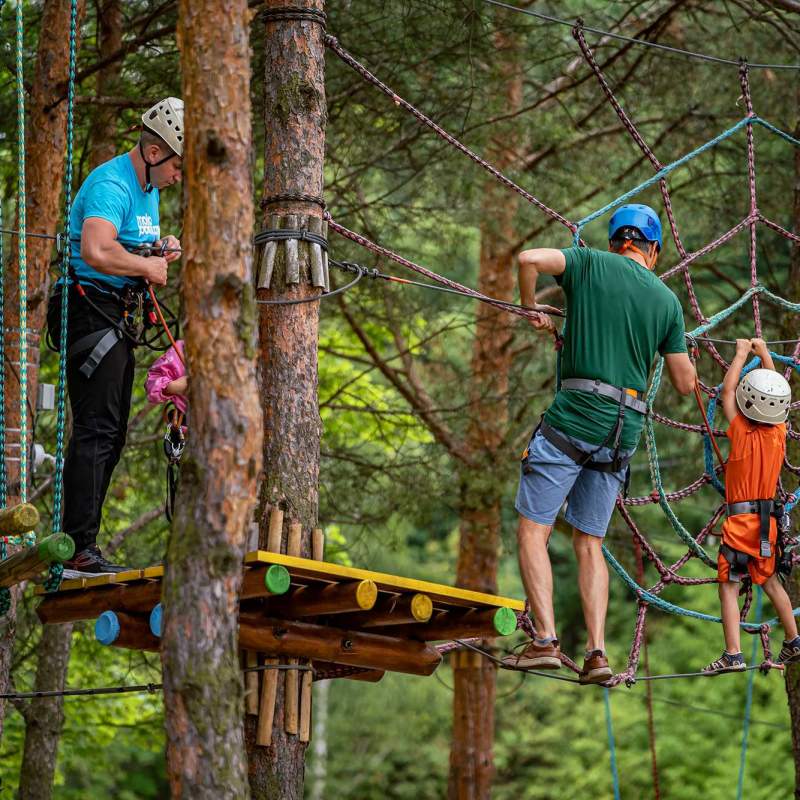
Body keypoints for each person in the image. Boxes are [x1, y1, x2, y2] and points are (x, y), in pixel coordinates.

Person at [504, 203, 696, 684]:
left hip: (574, 419)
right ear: (652, 249)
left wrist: (532, 311)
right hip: (621, 434)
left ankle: (544, 640)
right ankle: (596, 654)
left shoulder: (588, 263)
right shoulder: (668, 302)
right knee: (589, 542)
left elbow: (528, 258)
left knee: (534, 531)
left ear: (616, 241)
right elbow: (685, 384)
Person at [46, 97, 184, 575]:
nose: (179, 176)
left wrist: (157, 249)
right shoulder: (111, 183)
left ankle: (83, 541)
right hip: (90, 309)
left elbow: (127, 243)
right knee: (96, 430)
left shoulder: (149, 190)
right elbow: (96, 248)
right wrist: (146, 263)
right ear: (153, 154)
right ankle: (77, 547)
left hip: (116, 313)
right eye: (177, 166)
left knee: (114, 433)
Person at [702, 337, 800, 674]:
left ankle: (733, 652)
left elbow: (727, 394)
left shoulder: (741, 431)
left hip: (740, 523)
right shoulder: (778, 433)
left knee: (728, 585)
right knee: (771, 581)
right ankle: (794, 639)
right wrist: (765, 358)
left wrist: (743, 353)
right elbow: (776, 396)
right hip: (767, 524)